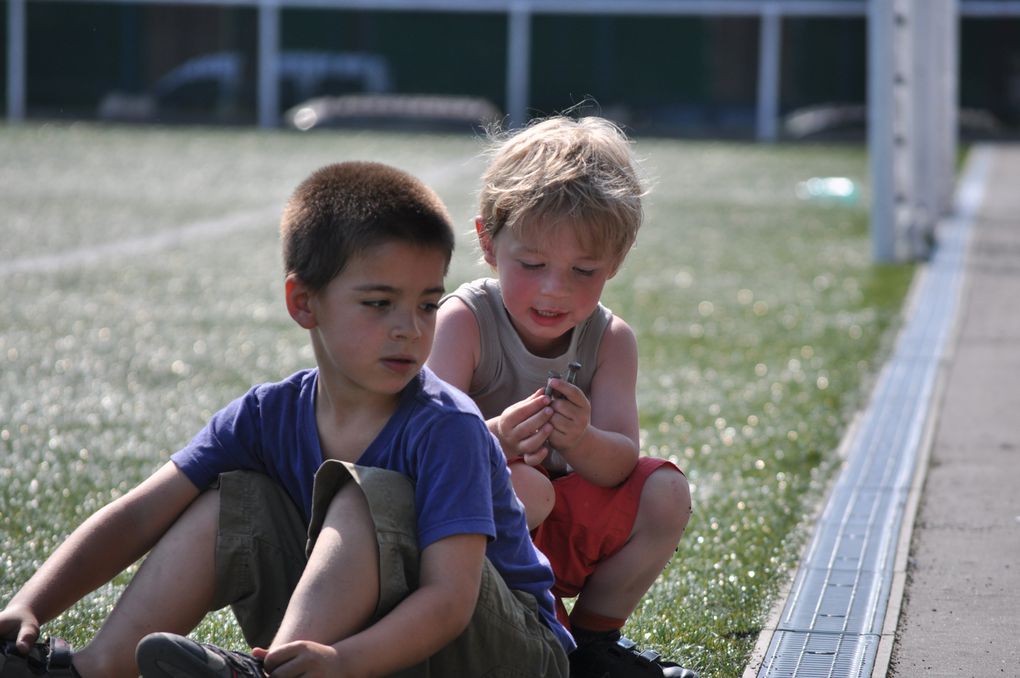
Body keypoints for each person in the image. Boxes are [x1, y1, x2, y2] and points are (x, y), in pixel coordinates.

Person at [0, 161, 572, 678]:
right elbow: (142, 513)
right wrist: (30, 603)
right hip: (360, 650)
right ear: (303, 303)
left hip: (511, 653)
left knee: (362, 493)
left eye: (427, 303)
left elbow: (449, 602)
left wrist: (342, 661)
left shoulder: (448, 426)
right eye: (379, 303)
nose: (412, 328)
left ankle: (273, 673)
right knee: (230, 499)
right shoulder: (266, 414)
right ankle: (95, 670)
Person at [427, 116, 696, 678]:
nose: (555, 289)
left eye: (583, 270)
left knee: (666, 492)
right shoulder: (464, 320)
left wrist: (582, 439)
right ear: (488, 243)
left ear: (614, 265)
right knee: (527, 487)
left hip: (563, 522)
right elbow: (425, 440)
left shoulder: (610, 339)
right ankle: (515, 632)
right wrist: (496, 436)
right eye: (532, 265)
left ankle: (594, 642)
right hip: (474, 527)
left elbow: (622, 460)